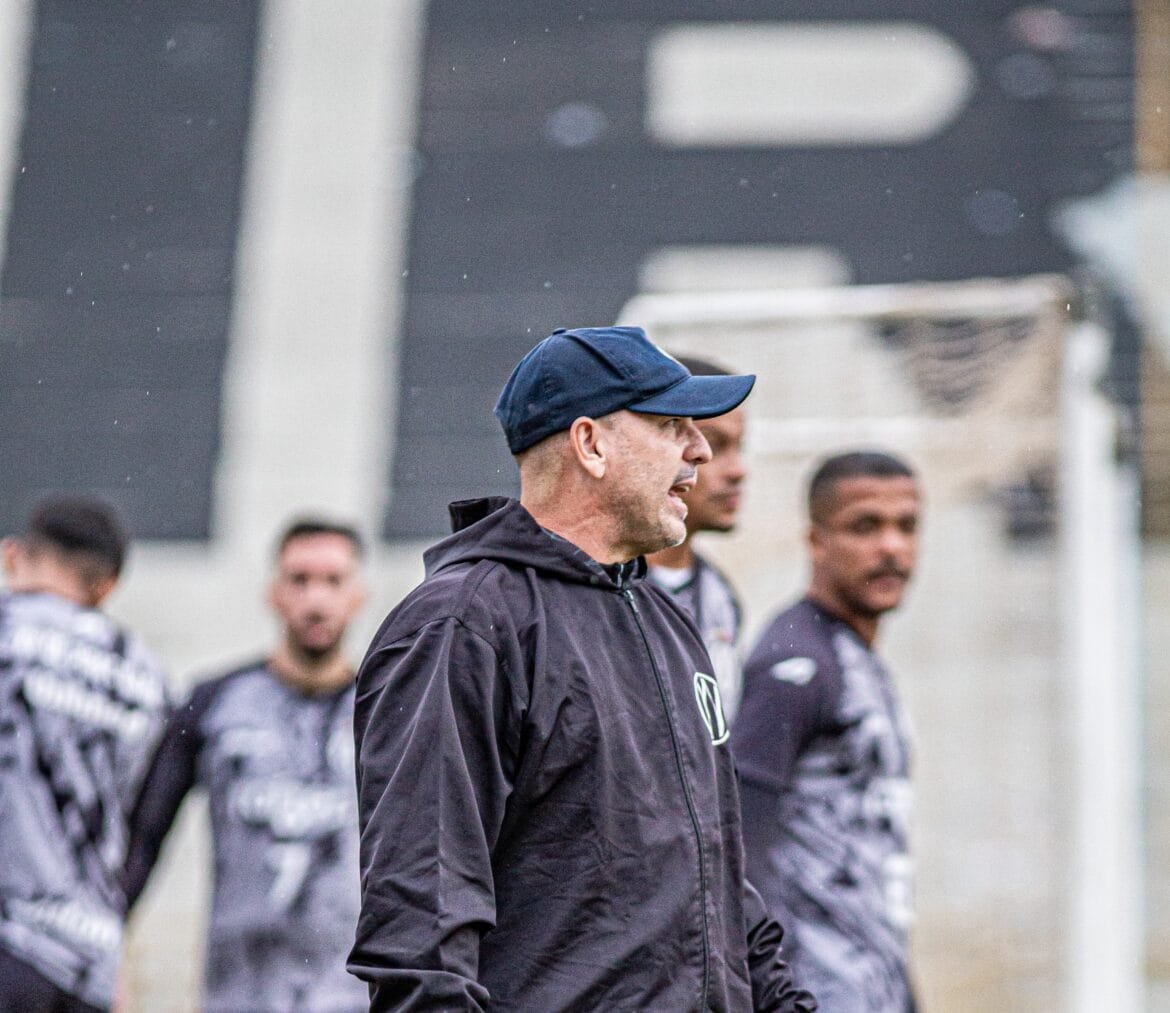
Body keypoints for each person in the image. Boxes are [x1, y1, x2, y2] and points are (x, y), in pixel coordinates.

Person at [349, 326, 816, 1011]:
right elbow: (421, 913)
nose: (700, 450)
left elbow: (713, 868)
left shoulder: (668, 622)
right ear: (591, 445)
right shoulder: (463, 625)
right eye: (672, 425)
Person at [123, 518, 369, 1012]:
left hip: (353, 994)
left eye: (333, 580)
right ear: (273, 593)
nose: (316, 599)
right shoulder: (215, 703)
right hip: (238, 993)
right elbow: (141, 840)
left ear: (359, 594)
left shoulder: (390, 709)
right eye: (299, 579)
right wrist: (106, 953)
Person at [731, 451, 921, 1012]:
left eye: (907, 526)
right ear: (817, 541)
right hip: (811, 991)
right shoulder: (796, 664)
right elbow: (735, 841)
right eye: (866, 526)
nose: (891, 547)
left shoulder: (855, 657)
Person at [0, 495, 170, 1012]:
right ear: (107, 586)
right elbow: (140, 827)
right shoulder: (148, 678)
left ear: (12, 556)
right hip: (86, 959)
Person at [647, 354, 749, 724]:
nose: (738, 471)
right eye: (715, 445)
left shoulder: (719, 595)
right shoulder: (602, 587)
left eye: (741, 447)